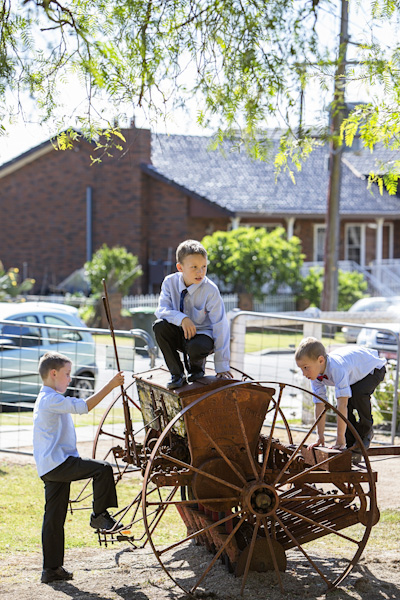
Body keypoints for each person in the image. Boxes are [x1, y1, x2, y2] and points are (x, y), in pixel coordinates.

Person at [33, 351, 125, 584]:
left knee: (54, 518)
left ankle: (51, 569)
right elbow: (84, 406)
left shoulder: (48, 397)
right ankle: (99, 515)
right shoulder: (50, 399)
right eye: (66, 374)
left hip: (50, 465)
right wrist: (111, 385)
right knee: (103, 469)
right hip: (58, 464)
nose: (70, 379)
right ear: (53, 374)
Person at [153, 239, 232, 389]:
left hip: (201, 337)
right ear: (180, 267)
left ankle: (196, 369)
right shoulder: (169, 282)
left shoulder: (210, 290)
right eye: (194, 267)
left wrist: (222, 366)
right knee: (159, 326)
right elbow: (161, 310)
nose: (200, 272)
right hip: (179, 332)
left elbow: (220, 325)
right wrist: (182, 319)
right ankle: (177, 375)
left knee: (196, 346)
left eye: (204, 267)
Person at [295, 337, 386, 457]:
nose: (304, 373)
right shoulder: (315, 375)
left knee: (357, 395)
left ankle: (366, 431)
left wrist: (339, 438)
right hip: (354, 373)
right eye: (301, 369)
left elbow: (342, 405)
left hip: (373, 369)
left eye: (306, 368)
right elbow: (319, 404)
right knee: (348, 403)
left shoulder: (337, 368)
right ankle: (351, 443)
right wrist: (320, 437)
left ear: (321, 360)